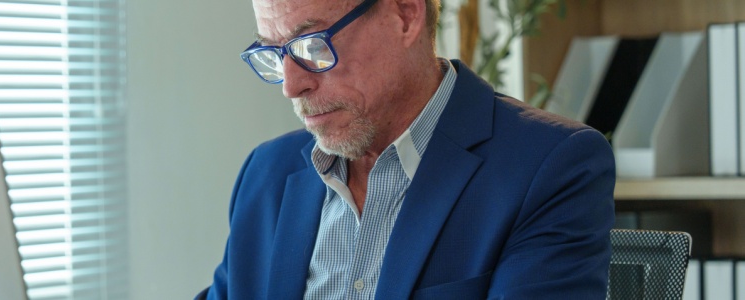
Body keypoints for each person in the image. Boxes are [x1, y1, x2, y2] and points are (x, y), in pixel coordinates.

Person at [199, 0, 615, 298]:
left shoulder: (550, 166)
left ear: (404, 14)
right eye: (274, 54)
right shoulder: (266, 174)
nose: (292, 85)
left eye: (312, 46)